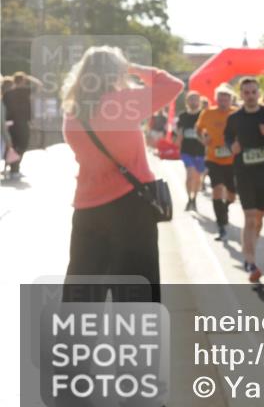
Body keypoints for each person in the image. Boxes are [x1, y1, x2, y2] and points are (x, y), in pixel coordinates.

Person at [61, 47, 184, 303]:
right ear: (114, 72)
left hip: (87, 208)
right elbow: (172, 85)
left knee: (83, 288)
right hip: (130, 206)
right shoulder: (124, 102)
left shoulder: (72, 113)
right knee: (136, 287)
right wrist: (134, 68)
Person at [224, 77, 264, 283]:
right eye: (246, 92)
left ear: (259, 93)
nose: (250, 96)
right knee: (250, 217)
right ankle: (250, 262)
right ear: (241, 94)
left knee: (259, 218)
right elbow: (227, 137)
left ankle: (250, 249)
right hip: (244, 173)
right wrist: (231, 147)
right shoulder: (235, 118)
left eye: (254, 92)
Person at [196, 84, 238, 239]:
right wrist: (203, 139)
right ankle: (221, 223)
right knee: (217, 189)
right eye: (220, 99)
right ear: (216, 99)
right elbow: (198, 129)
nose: (223, 102)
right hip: (213, 158)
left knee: (232, 195)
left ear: (231, 100)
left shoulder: (236, 113)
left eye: (226, 99)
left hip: (232, 160)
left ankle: (225, 207)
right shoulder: (207, 113)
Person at [2, 71, 41, 179]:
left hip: (10, 123)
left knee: (13, 145)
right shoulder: (25, 91)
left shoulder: (7, 93)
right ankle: (14, 169)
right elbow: (39, 85)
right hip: (22, 122)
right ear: (23, 81)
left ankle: (11, 167)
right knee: (22, 145)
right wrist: (29, 77)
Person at [176, 91, 206, 211]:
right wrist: (178, 142)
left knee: (198, 177)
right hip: (186, 150)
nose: (193, 102)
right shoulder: (183, 116)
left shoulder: (204, 115)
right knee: (190, 174)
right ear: (187, 101)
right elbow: (179, 133)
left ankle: (194, 199)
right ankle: (189, 198)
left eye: (195, 99)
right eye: (191, 99)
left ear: (199, 101)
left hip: (201, 151)